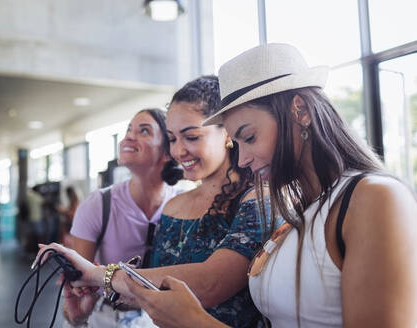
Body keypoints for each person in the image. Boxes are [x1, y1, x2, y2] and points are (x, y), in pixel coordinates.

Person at [121, 43, 417, 328]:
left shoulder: (374, 198)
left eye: (249, 137)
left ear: (299, 111)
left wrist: (195, 321)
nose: (244, 158)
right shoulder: (303, 210)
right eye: (237, 143)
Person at [37, 76, 272, 328]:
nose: (179, 151)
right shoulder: (174, 207)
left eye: (191, 137)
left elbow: (210, 283)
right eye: (172, 139)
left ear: (225, 131)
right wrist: (87, 306)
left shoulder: (257, 198)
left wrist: (96, 275)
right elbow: (153, 291)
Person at [64, 108, 181, 327]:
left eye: (144, 130)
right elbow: (76, 290)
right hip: (103, 317)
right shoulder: (98, 204)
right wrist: (78, 315)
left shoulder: (183, 206)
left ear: (168, 151)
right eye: (129, 129)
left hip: (160, 319)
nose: (129, 136)